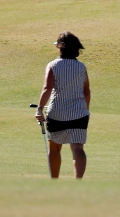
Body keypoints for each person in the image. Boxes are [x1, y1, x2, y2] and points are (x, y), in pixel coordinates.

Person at [36, 32, 91, 179]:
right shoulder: (81, 67)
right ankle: (78, 180)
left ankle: (54, 181)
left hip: (57, 113)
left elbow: (47, 88)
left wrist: (40, 108)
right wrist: (85, 111)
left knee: (54, 148)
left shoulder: (53, 65)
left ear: (60, 47)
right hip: (79, 113)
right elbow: (86, 91)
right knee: (78, 147)